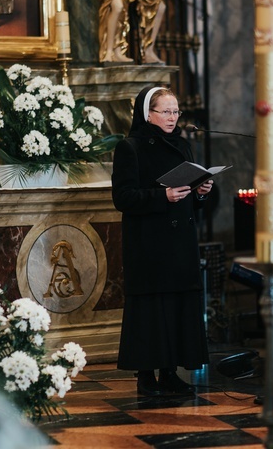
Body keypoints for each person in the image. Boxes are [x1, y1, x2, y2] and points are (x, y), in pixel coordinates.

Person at [111, 86, 213, 396]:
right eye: (166, 111)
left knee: (177, 306)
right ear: (148, 113)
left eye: (176, 111)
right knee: (152, 309)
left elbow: (189, 197)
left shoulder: (182, 145)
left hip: (179, 242)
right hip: (149, 244)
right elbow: (123, 198)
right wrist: (162, 196)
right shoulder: (130, 147)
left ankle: (170, 373)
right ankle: (146, 376)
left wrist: (200, 194)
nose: (172, 117)